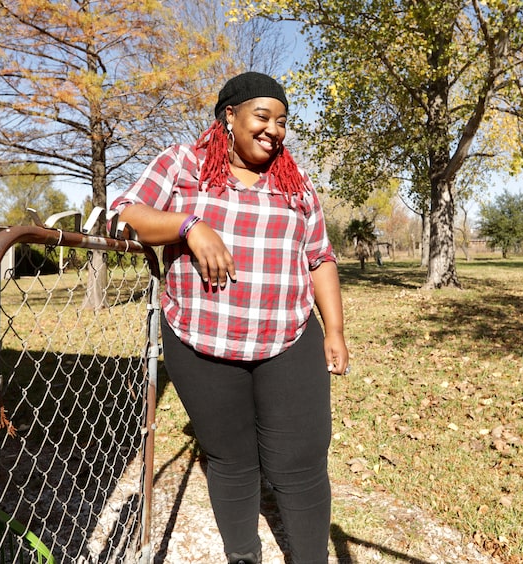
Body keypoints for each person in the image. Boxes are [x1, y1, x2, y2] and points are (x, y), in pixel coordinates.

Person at [111, 72, 349, 564]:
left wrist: (336, 331)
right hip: (202, 344)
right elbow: (126, 214)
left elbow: (320, 256)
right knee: (232, 460)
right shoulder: (184, 163)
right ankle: (244, 556)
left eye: (282, 121)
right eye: (262, 116)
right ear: (229, 117)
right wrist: (188, 225)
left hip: (288, 338)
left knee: (301, 465)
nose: (274, 130)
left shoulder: (294, 181)